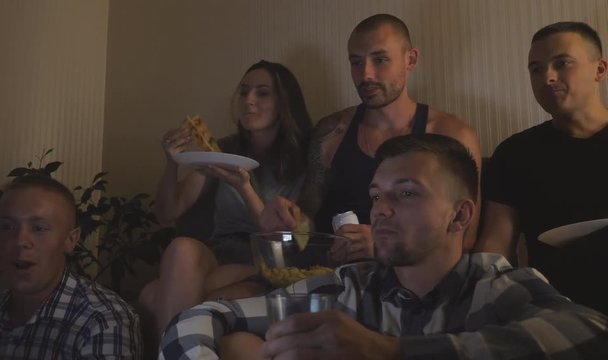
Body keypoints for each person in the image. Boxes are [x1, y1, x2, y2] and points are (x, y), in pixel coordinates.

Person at [159, 134, 608, 359]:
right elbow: (200, 315)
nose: (382, 210)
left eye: (406, 193)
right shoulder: (350, 287)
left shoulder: (494, 286)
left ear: (461, 215)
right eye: (376, 196)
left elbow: (591, 333)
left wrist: (388, 351)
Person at [266, 13, 481, 262]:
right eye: (356, 62)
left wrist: (385, 243)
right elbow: (309, 217)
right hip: (334, 278)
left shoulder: (451, 134)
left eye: (380, 59)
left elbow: (466, 237)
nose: (366, 74)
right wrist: (290, 222)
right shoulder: (331, 132)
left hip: (414, 281)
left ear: (410, 59)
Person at [138, 60, 312, 341]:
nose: (249, 101)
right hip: (218, 256)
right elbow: (168, 212)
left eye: (262, 93)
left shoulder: (305, 157)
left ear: (284, 102)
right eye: (243, 92)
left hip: (266, 263)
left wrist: (243, 186)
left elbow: (286, 240)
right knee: (182, 248)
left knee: (152, 296)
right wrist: (171, 164)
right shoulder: (224, 150)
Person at [477, 21, 608, 314]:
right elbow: (496, 243)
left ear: (599, 70)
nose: (547, 76)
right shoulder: (515, 153)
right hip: (554, 309)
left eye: (561, 63)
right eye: (536, 69)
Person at [0, 175, 142, 358]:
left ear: (71, 240)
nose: (20, 241)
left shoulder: (103, 320)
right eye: (7, 227)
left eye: (39, 228)